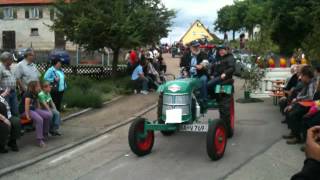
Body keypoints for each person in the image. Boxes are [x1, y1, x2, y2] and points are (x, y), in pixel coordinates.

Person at [284, 66, 317, 144]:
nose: (300, 77)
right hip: (305, 103)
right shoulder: (306, 83)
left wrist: (298, 99)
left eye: (301, 75)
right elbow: (302, 94)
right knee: (289, 111)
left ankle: (297, 137)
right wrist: (296, 100)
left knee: (293, 114)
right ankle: (294, 132)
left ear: (306, 76)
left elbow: (310, 96)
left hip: (311, 105)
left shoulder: (312, 83)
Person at [20, 81, 52, 147]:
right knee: (39, 119)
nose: (40, 87)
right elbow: (26, 106)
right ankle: (39, 140)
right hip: (25, 111)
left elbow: (37, 102)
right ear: (34, 87)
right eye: (38, 86)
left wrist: (40, 111)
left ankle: (45, 133)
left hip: (33, 109)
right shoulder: (28, 94)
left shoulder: (36, 93)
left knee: (48, 115)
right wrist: (27, 115)